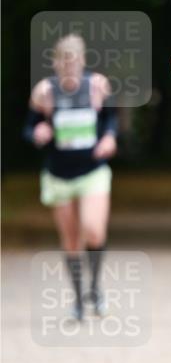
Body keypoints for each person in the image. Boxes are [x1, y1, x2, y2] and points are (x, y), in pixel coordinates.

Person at [25, 33, 118, 320]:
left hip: (92, 171)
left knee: (93, 230)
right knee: (71, 238)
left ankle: (94, 289)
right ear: (55, 63)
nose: (69, 68)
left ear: (82, 61)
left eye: (73, 62)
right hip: (58, 174)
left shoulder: (97, 86)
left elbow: (111, 120)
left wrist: (109, 138)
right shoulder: (44, 92)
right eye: (63, 63)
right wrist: (37, 133)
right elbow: (29, 128)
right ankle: (78, 299)